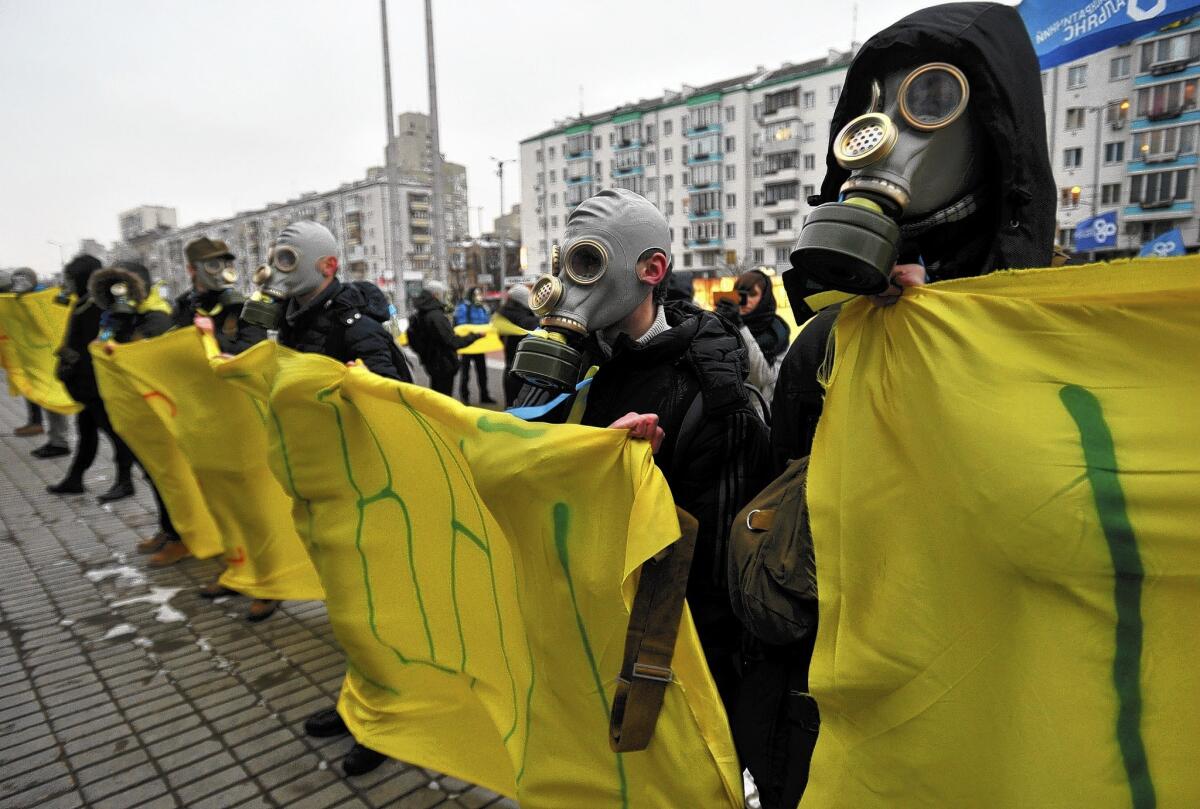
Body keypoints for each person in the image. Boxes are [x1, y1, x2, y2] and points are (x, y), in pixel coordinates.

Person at [732, 6, 1057, 807]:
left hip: (993, 729)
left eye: (930, 99)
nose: (885, 134)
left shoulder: (1055, 342)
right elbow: (792, 515)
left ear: (996, 128)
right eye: (869, 104)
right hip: (833, 720)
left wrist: (955, 347)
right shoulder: (825, 346)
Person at [510, 188, 772, 708]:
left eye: (587, 263)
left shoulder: (711, 394)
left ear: (652, 269)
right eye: (565, 263)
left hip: (653, 649)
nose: (569, 283)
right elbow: (519, 464)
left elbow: (714, 581)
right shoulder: (572, 364)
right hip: (577, 615)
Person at [243, 219, 409, 775]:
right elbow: (246, 361)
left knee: (372, 613)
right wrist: (260, 308)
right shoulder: (291, 319)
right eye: (277, 259)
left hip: (362, 494)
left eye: (290, 260)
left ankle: (388, 719)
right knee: (345, 609)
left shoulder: (354, 327)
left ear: (328, 266)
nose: (280, 269)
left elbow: (395, 403)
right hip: (320, 488)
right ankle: (360, 700)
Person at [88, 260, 190, 568]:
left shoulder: (156, 317)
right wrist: (112, 328)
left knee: (170, 477)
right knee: (154, 475)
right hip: (137, 412)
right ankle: (167, 529)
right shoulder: (117, 316)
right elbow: (103, 345)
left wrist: (129, 333)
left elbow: (148, 356)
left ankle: (181, 537)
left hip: (160, 413)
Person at [48, 254, 139, 504]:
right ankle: (75, 478)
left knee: (115, 433)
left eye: (71, 279)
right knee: (87, 431)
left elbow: (98, 342)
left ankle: (125, 480)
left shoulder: (98, 306)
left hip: (97, 384)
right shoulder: (85, 303)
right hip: (87, 384)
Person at [4, 268, 72, 457]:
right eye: (16, 280)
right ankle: (54, 438)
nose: (19, 283)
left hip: (49, 358)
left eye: (23, 279)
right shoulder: (16, 299)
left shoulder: (44, 297)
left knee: (52, 399)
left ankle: (60, 442)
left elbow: (53, 319)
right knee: (43, 398)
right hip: (34, 358)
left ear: (32, 280)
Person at [172, 236, 266, 355]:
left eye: (226, 265)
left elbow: (257, 353)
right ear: (192, 269)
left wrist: (211, 337)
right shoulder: (182, 308)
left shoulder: (244, 308)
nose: (222, 272)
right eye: (213, 265)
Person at [713, 270, 791, 406]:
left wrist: (740, 327)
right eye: (741, 295)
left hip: (760, 414)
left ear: (764, 297)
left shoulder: (777, 331)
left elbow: (762, 377)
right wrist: (716, 323)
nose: (746, 300)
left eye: (753, 294)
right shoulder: (726, 325)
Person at [407, 281, 480, 396]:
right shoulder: (436, 316)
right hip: (443, 364)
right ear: (436, 295)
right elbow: (452, 341)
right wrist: (475, 336)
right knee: (443, 398)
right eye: (442, 294)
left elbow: (413, 338)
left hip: (432, 362)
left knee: (437, 397)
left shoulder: (421, 313)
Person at [496, 284, 538, 407]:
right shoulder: (527, 320)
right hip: (525, 373)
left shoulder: (503, 316)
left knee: (510, 406)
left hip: (509, 368)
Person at [453, 286, 494, 404]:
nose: (479, 296)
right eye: (477, 294)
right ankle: (464, 397)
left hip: (479, 345)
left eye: (480, 294)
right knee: (465, 373)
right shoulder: (463, 307)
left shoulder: (482, 308)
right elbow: (461, 325)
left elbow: (486, 322)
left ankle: (484, 395)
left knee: (482, 372)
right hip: (467, 344)